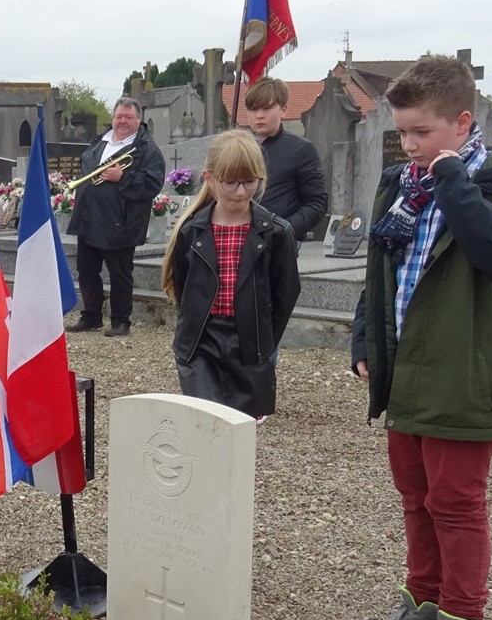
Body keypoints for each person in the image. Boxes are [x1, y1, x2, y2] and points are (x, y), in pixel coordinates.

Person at [349, 54, 492, 620]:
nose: (409, 146)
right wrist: (365, 337)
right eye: (402, 133)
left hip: (467, 365)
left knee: (457, 501)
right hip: (406, 366)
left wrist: (454, 180)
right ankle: (424, 602)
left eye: (421, 133)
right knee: (416, 496)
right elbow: (381, 270)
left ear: (462, 124)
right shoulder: (401, 184)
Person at [161, 130, 300, 419]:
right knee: (204, 423)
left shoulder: (276, 233)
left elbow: (284, 294)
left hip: (250, 345)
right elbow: (187, 292)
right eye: (230, 182)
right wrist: (188, 340)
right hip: (201, 343)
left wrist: (264, 342)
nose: (241, 191)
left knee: (239, 432)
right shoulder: (191, 233)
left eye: (250, 181)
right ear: (209, 178)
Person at [65, 96, 166, 337]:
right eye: (119, 116)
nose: (122, 121)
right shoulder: (100, 142)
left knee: (120, 274)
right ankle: (91, 316)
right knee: (86, 271)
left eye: (128, 117)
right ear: (113, 118)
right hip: (89, 217)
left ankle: (121, 321)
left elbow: (152, 184)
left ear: (138, 120)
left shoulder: (147, 149)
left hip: (120, 221)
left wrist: (123, 178)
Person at [241, 77, 328, 246]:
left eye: (266, 108)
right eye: (253, 109)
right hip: (237, 240)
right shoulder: (236, 149)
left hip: (278, 245)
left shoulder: (301, 149)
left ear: (283, 109)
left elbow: (316, 203)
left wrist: (283, 229)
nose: (259, 115)